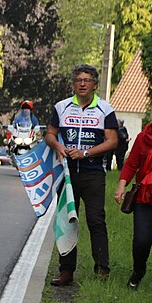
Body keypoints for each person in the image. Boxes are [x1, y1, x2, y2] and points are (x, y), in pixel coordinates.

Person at [44, 64, 120, 286]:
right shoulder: (62, 107)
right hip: (67, 174)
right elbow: (50, 133)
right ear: (73, 84)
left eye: (87, 80)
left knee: (96, 219)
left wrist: (86, 152)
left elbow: (112, 141)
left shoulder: (105, 109)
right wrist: (58, 146)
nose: (83, 83)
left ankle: (102, 269)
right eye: (79, 80)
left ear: (95, 84)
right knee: (67, 220)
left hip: (93, 172)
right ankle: (66, 271)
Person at [114, 104, 152, 290]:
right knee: (142, 240)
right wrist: (121, 186)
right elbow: (131, 164)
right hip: (145, 198)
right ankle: (138, 272)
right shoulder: (143, 138)